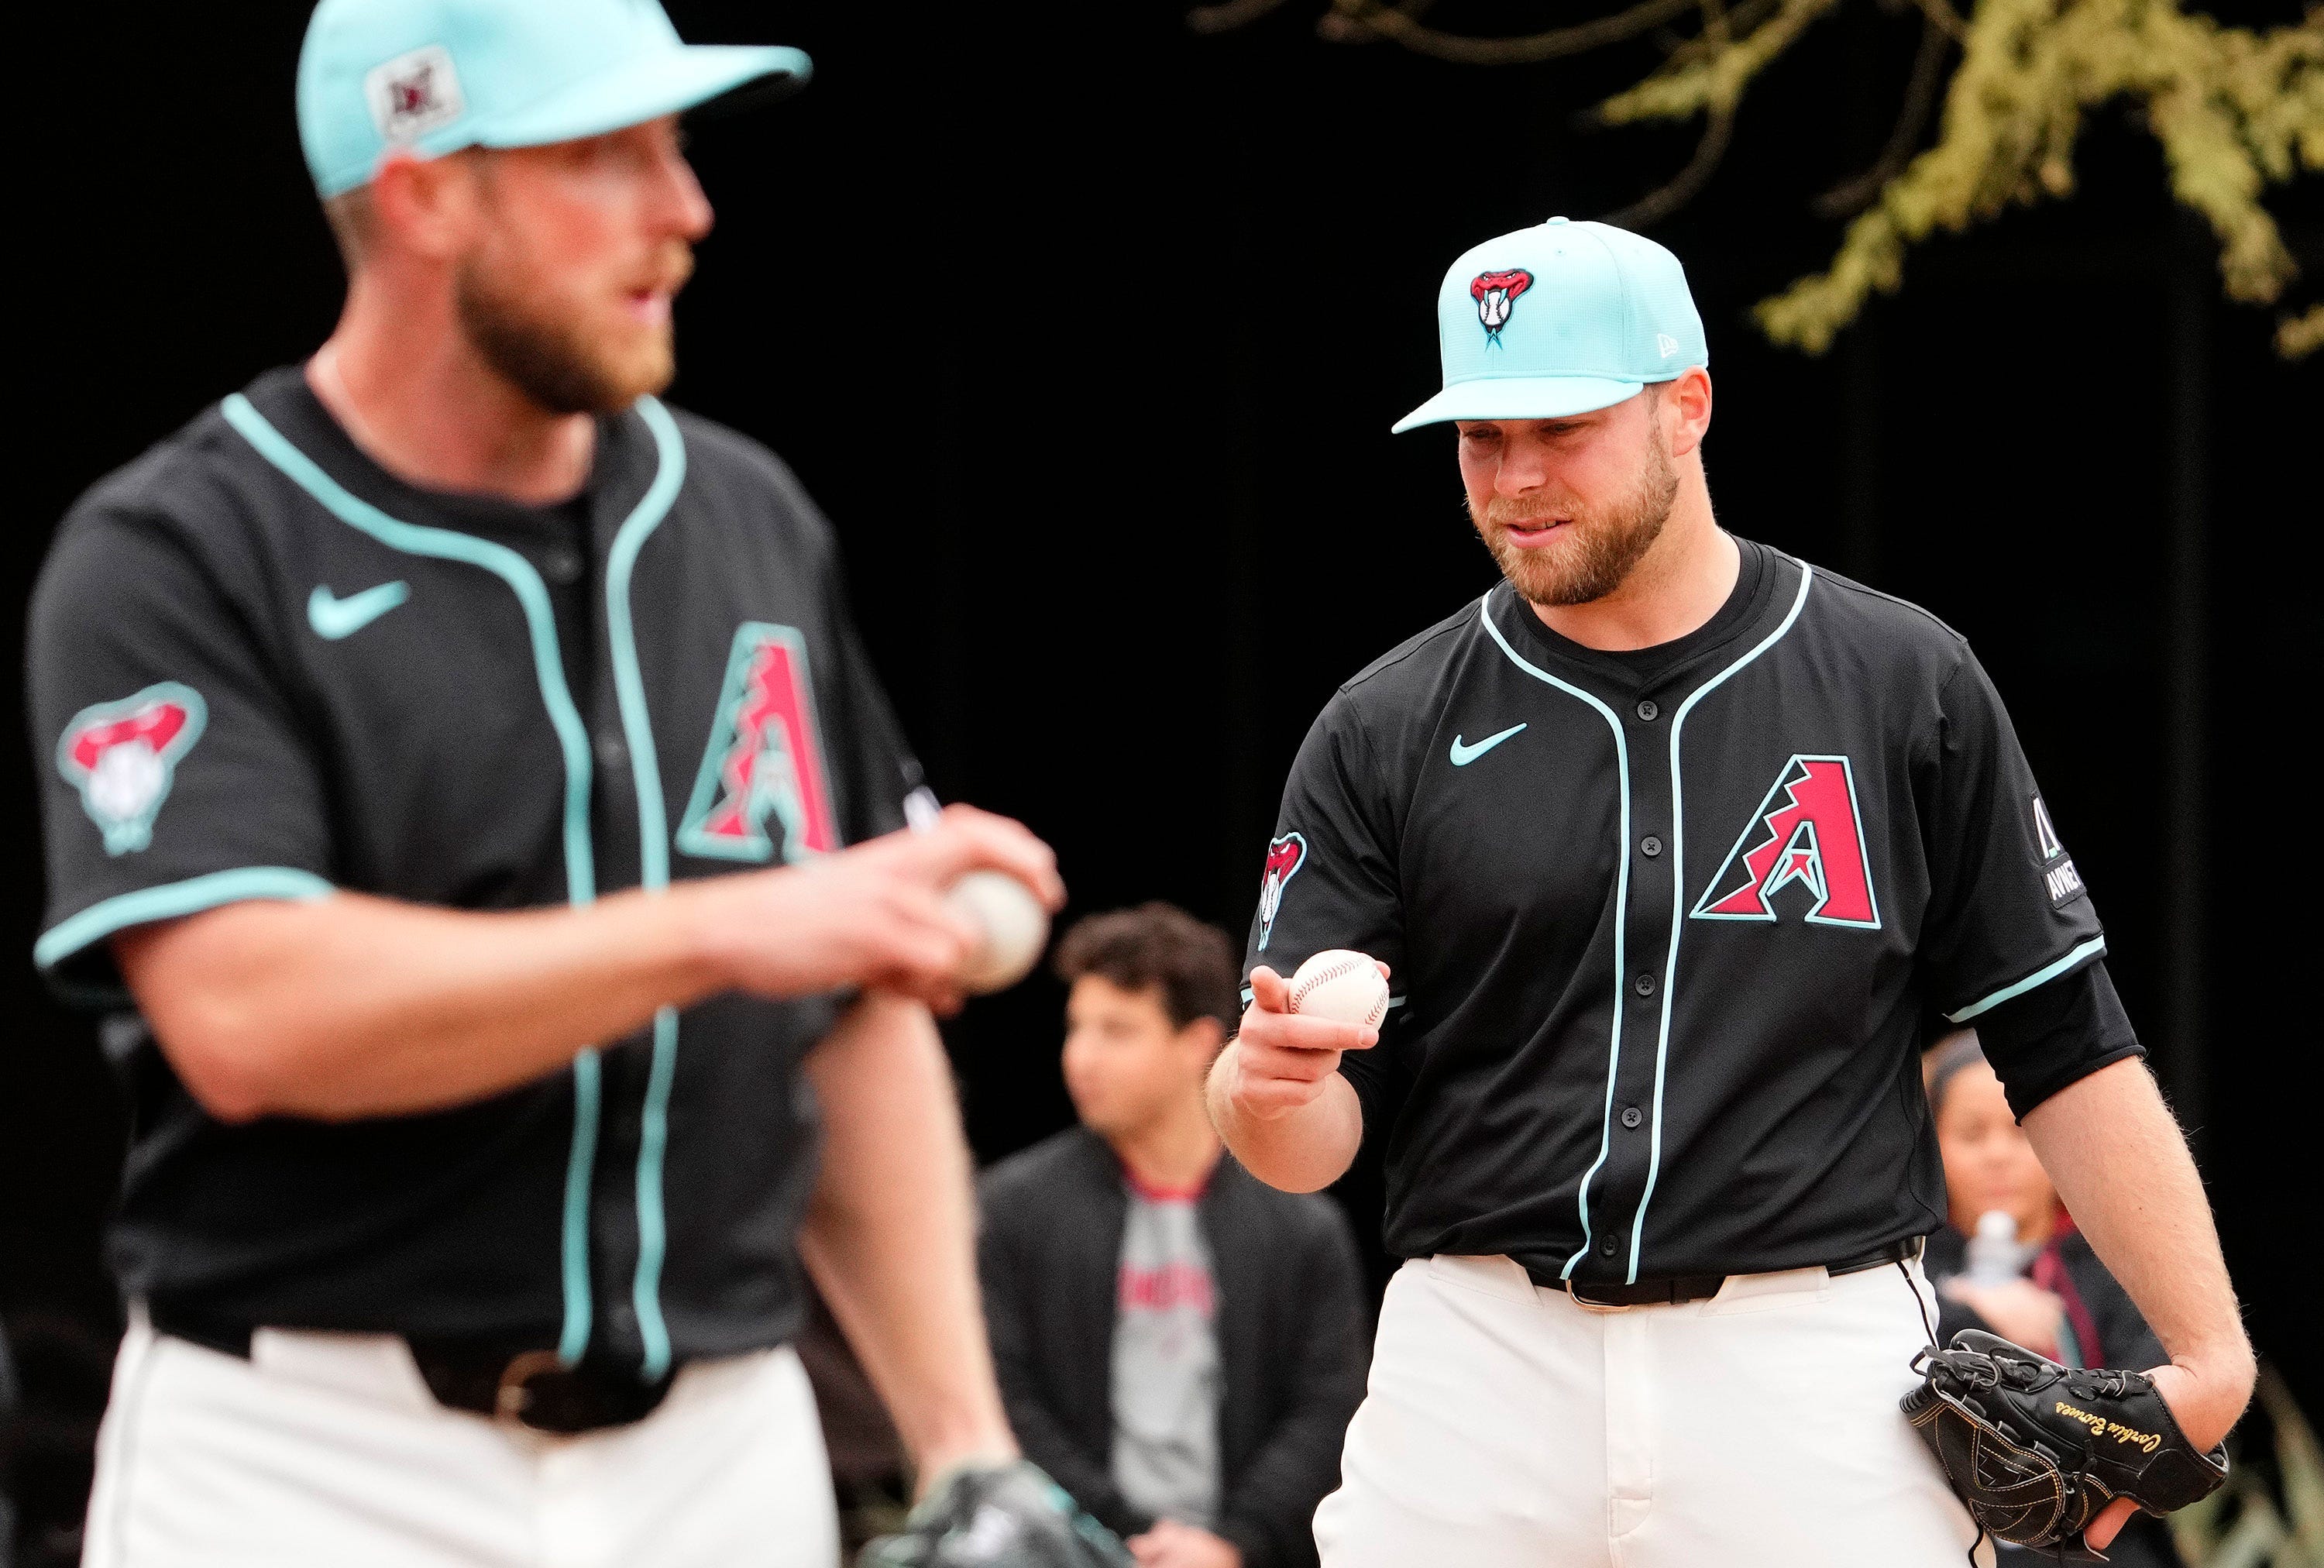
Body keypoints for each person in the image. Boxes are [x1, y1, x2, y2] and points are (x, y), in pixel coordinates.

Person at [26, 0, 1080, 1562]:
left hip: (718, 1449)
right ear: (428, 192)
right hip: (309, 1455)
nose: (687, 207)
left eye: (677, 146)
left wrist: (968, 1448)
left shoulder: (747, 514)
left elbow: (856, 1002)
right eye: (610, 153)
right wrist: (726, 928)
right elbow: (245, 1012)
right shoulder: (184, 547)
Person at [1207, 217, 2254, 1568]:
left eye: (1562, 427)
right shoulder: (1385, 722)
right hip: (1478, 1362)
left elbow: (2061, 1033)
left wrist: (2210, 1352)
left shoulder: (1900, 680)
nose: (1517, 477)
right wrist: (1263, 1091)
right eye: (1481, 437)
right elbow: (1306, 1140)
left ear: (1686, 404)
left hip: (1812, 1366)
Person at [979, 905, 1368, 1568]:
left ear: (1197, 1045)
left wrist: (1233, 1543)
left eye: (1117, 1030)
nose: (1080, 1056)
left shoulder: (1301, 1227)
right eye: (1076, 1027)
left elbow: (1328, 1407)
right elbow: (1003, 1397)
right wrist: (1121, 1537)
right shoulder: (1012, 1208)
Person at [1925, 1030, 2187, 1568]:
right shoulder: (1909, 1273)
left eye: (2021, 1131)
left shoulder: (2117, 1267)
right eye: (1972, 1135)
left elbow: (2155, 1415)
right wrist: (1968, 1315)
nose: (1998, 1155)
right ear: (1932, 1146)